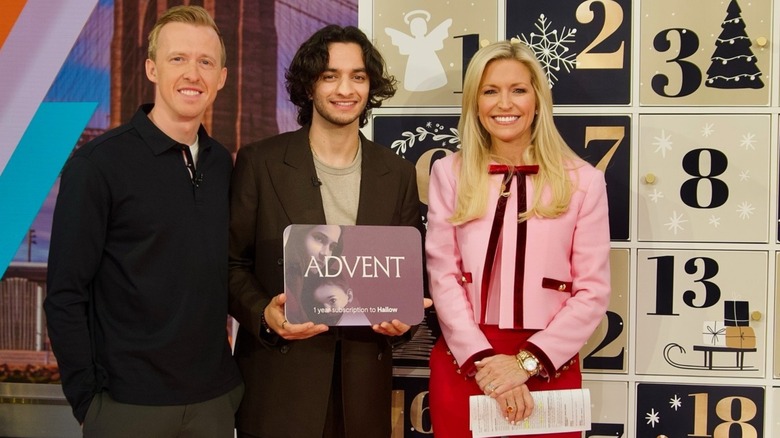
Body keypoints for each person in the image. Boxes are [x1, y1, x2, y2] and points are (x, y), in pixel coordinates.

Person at [43, 6, 243, 437]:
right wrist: (89, 402)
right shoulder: (97, 165)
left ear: (222, 77)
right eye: (178, 58)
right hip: (126, 406)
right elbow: (64, 294)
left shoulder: (222, 165)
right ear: (152, 68)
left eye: (206, 62)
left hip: (212, 402)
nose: (193, 74)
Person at [228, 24, 423, 438]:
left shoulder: (399, 174)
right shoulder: (260, 163)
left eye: (358, 76)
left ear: (370, 86)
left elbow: (404, 277)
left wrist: (404, 321)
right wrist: (264, 314)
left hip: (363, 394)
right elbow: (231, 264)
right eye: (330, 75)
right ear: (309, 85)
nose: (345, 89)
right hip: (279, 387)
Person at [424, 40, 611, 437]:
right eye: (490, 91)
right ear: (475, 103)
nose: (504, 104)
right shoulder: (449, 173)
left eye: (518, 90)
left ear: (538, 100)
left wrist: (525, 364)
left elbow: (593, 292)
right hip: (466, 362)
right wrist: (483, 362)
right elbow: (443, 275)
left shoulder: (585, 181)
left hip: (549, 364)